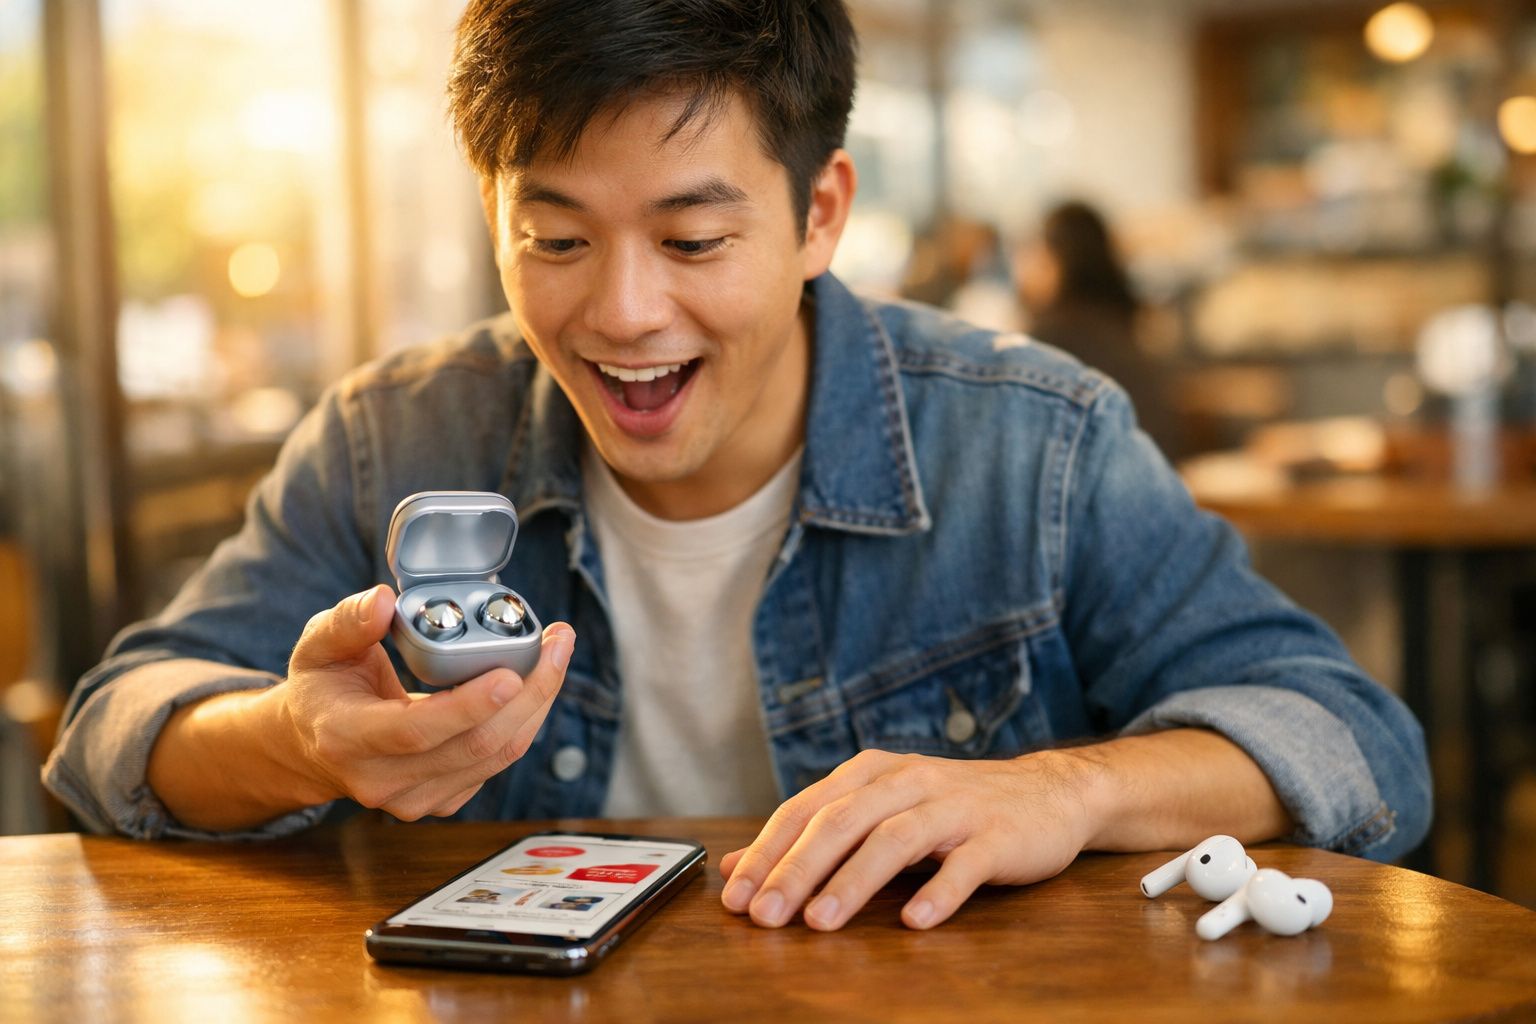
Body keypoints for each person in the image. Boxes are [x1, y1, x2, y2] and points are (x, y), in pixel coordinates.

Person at [44, 0, 1430, 936]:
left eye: (695, 241)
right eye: (558, 238)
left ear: (819, 210)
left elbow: (1352, 739)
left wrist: (1060, 792)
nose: (624, 313)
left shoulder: (1031, 440)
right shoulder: (397, 436)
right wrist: (295, 740)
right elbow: (118, 727)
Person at [1016, 200, 1185, 459]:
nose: (1023, 270)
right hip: (1154, 472)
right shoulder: (1123, 322)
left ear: (1058, 261)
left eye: (1034, 255)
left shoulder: (1055, 335)